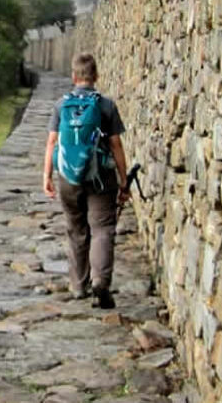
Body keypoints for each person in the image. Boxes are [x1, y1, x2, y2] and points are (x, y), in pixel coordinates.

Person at [42, 53, 130, 309]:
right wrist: (123, 181)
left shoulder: (61, 106)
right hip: (101, 178)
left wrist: (47, 175)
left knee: (76, 229)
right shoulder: (106, 105)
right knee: (102, 228)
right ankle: (100, 280)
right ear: (96, 77)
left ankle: (78, 286)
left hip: (68, 177)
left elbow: (52, 142)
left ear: (74, 77)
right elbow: (116, 145)